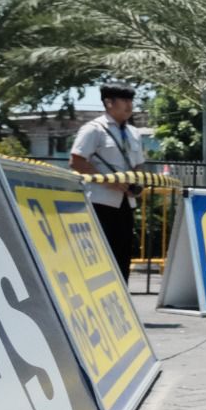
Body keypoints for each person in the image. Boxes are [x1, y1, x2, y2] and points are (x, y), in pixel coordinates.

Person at [71, 84, 148, 282]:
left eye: (131, 100)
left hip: (126, 201)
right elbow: (77, 161)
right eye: (124, 100)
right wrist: (108, 181)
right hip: (100, 201)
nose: (129, 105)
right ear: (108, 103)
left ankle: (122, 292)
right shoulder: (93, 129)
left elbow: (139, 164)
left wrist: (136, 183)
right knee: (101, 253)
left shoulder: (133, 132)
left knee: (123, 252)